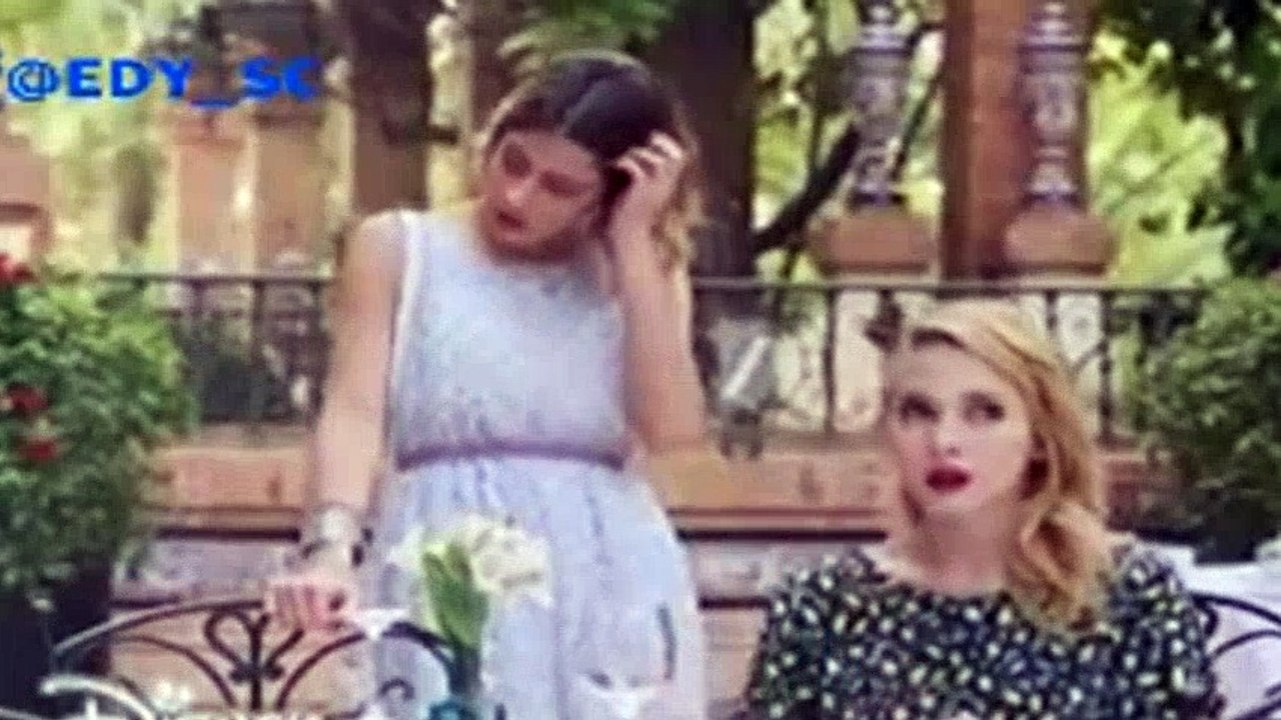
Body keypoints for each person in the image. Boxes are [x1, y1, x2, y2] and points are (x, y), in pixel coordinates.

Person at [266, 51, 716, 719]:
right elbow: (354, 412)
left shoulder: (644, 269)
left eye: (560, 187)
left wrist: (631, 243)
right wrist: (330, 546)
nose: (518, 196)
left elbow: (674, 431)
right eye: (514, 163)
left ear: (613, 191)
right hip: (448, 562)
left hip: (605, 573)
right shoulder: (398, 249)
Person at [744, 300, 1223, 719]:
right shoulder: (823, 605)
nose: (944, 441)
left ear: (1040, 438)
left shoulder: (1128, 595)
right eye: (919, 412)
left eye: (984, 413)